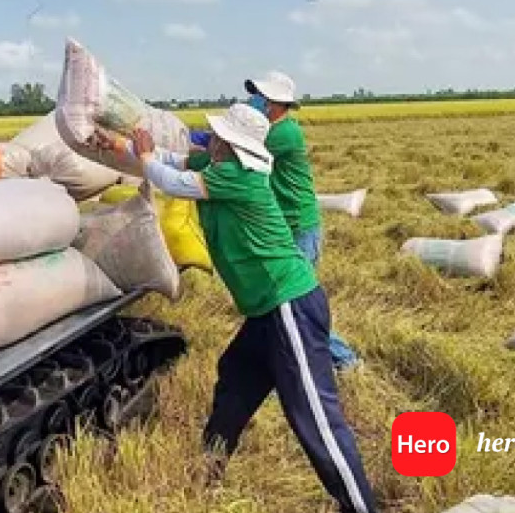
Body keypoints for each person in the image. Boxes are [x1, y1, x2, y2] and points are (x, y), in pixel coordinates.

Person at [94, 104, 376, 513]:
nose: (212, 139)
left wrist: (146, 157)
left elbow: (172, 179)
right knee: (236, 375)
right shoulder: (219, 162)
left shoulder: (238, 175)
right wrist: (121, 144)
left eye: (219, 135)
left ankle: (361, 507)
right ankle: (208, 466)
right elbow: (175, 160)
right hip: (266, 312)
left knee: (314, 418)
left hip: (288, 305)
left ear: (233, 142)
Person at [242, 70, 360, 371]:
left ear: (276, 103)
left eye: (260, 97)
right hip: (286, 226)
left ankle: (344, 360)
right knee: (285, 303)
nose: (253, 101)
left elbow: (237, 151)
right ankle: (287, 360)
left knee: (299, 305)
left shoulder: (283, 133)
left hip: (299, 227)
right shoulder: (270, 129)